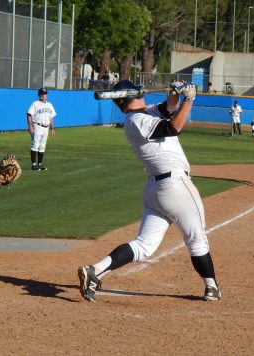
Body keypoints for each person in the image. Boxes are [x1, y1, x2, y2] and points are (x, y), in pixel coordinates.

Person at [78, 80, 221, 302]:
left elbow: (167, 108)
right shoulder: (137, 120)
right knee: (196, 240)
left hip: (156, 189)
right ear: (132, 95)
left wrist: (176, 94)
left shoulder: (142, 114)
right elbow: (173, 127)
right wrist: (190, 99)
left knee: (144, 245)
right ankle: (212, 287)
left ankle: (95, 271)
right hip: (175, 186)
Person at [27, 88, 56, 171]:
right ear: (39, 95)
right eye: (42, 94)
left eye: (45, 94)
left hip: (46, 128)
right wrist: (30, 126)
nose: (44, 95)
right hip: (37, 126)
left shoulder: (49, 105)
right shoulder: (35, 104)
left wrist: (52, 128)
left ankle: (40, 164)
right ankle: (34, 164)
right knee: (35, 144)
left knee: (42, 146)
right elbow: (29, 115)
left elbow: (51, 117)